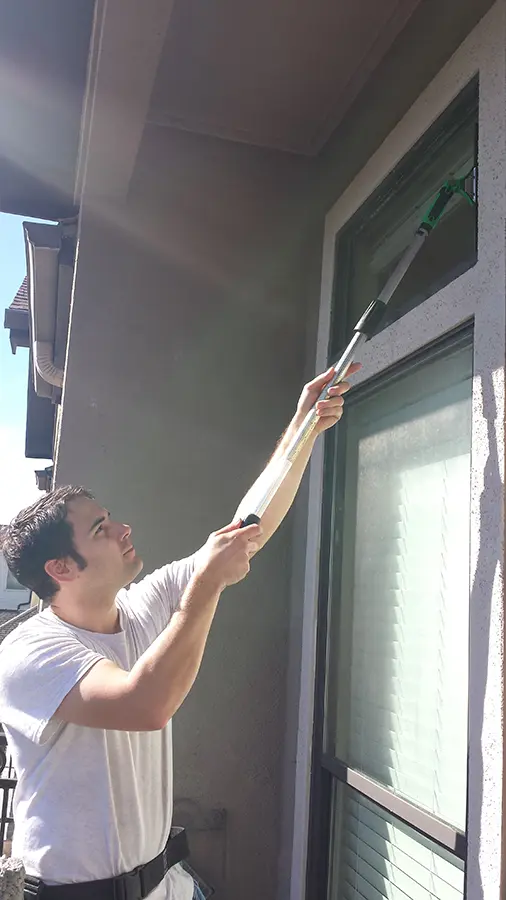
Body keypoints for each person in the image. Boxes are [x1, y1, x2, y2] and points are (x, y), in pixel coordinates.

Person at [0, 364, 358, 900]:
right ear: (61, 569)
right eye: (101, 529)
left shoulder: (140, 606)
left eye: (111, 517)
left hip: (162, 885)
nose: (123, 529)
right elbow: (144, 705)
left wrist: (303, 427)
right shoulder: (31, 652)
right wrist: (206, 588)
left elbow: (246, 533)